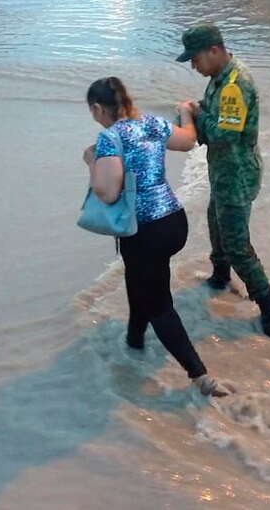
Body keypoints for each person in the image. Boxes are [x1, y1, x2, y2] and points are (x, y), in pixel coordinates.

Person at [83, 76, 227, 397]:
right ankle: (134, 341)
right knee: (138, 280)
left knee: (159, 304)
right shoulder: (151, 123)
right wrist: (186, 111)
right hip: (174, 222)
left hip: (143, 231)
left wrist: (91, 162)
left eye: (91, 110)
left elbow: (106, 192)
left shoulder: (109, 138)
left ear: (97, 108)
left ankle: (200, 376)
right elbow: (188, 141)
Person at [175, 23, 270, 339]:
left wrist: (196, 114)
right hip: (225, 170)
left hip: (236, 173)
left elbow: (222, 135)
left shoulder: (234, 85)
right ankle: (219, 276)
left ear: (214, 50)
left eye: (196, 59)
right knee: (216, 222)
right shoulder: (219, 78)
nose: (193, 66)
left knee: (237, 245)